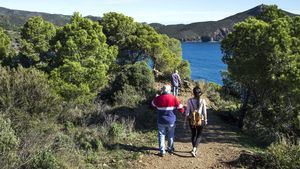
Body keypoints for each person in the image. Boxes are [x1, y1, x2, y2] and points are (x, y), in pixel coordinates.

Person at [152, 84, 184, 157]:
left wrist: (156, 98)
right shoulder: (173, 98)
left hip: (161, 120)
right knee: (170, 135)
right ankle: (170, 149)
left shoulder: (158, 98)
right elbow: (180, 108)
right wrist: (183, 112)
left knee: (161, 135)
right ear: (170, 90)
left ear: (162, 90)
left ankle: (162, 151)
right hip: (171, 121)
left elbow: (152, 104)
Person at [184, 86, 208, 157]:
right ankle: (194, 149)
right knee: (199, 135)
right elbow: (205, 112)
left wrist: (185, 121)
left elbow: (187, 112)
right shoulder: (203, 101)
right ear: (200, 93)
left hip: (192, 120)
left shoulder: (189, 101)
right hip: (201, 120)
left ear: (193, 93)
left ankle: (194, 149)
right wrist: (206, 120)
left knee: (193, 134)